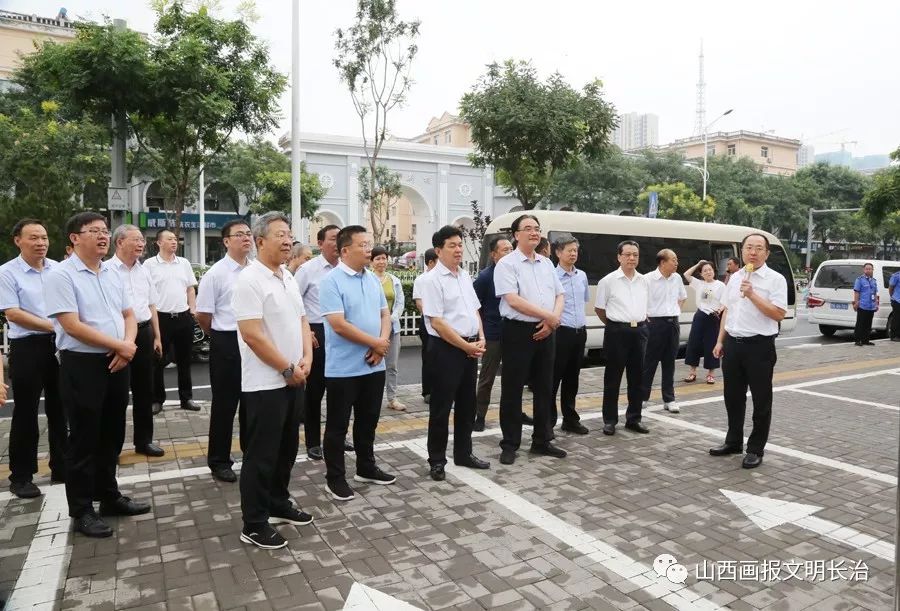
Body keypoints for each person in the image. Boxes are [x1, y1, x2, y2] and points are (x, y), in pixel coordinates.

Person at [44, 211, 150, 537]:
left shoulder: (111, 273)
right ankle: (82, 509)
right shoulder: (61, 275)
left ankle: (109, 496)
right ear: (75, 238)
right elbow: (71, 325)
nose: (103, 236)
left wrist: (125, 346)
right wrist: (121, 345)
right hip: (83, 364)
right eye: (94, 231)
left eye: (105, 231)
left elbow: (129, 314)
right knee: (84, 437)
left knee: (112, 432)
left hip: (117, 361)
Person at [233, 212, 314, 549]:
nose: (287, 240)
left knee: (286, 449)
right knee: (261, 455)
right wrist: (285, 368)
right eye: (280, 234)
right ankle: (253, 523)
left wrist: (307, 357)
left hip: (294, 379)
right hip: (266, 385)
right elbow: (252, 335)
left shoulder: (288, 277)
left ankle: (279, 503)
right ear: (260, 240)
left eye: (289, 234)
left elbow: (302, 320)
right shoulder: (249, 280)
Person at [319, 226, 397, 501]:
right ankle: (335, 478)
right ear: (345, 250)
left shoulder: (372, 279)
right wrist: (374, 343)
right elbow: (338, 325)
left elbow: (385, 315)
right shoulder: (332, 281)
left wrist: (382, 344)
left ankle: (366, 467)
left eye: (370, 244)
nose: (369, 250)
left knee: (368, 421)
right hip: (343, 369)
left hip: (373, 365)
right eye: (363, 245)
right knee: (338, 426)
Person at [0, 219, 68, 498]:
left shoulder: (59, 269)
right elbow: (12, 313)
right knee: (26, 412)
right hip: (27, 347)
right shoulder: (7, 272)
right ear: (18, 240)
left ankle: (62, 467)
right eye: (33, 238)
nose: (41, 243)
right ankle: (21, 476)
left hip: (60, 346)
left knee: (60, 408)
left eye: (44, 237)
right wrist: (54, 325)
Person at [710, 233, 788, 469]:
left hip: (759, 346)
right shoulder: (734, 278)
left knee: (761, 400)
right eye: (748, 248)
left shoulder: (775, 279)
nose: (753, 252)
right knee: (732, 397)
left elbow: (778, 314)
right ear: (742, 251)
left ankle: (755, 448)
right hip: (733, 344)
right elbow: (727, 311)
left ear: (766, 252)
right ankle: (733, 441)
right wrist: (720, 340)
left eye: (758, 248)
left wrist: (753, 294)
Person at [494, 214, 566, 465]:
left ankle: (542, 440)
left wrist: (552, 320)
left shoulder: (546, 264)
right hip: (518, 332)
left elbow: (560, 294)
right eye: (528, 229)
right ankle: (510, 443)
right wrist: (548, 316)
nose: (534, 233)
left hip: (547, 331)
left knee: (545, 388)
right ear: (516, 235)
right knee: (512, 389)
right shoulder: (507, 264)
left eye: (537, 229)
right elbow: (512, 300)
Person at [421, 226, 490, 480]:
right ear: (438, 250)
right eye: (452, 245)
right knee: (441, 407)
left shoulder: (464, 276)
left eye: (460, 244)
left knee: (466, 404)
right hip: (446, 350)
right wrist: (466, 345)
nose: (459, 249)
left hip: (470, 348)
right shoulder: (431, 280)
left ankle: (464, 453)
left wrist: (480, 337)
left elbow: (474, 311)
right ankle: (437, 460)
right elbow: (437, 323)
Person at [196, 220, 252, 483]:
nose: (246, 238)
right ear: (226, 241)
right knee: (225, 405)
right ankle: (219, 461)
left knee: (253, 401)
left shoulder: (256, 270)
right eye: (239, 235)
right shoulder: (216, 274)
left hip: (253, 341)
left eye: (248, 234)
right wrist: (219, 336)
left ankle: (251, 453)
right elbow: (203, 315)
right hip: (226, 341)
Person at [295, 225, 353, 460]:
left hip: (344, 332)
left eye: (340, 238)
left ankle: (338, 436)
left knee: (342, 390)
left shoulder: (349, 270)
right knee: (315, 392)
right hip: (317, 332)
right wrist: (305, 332)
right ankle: (312, 441)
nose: (337, 242)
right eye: (332, 239)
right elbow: (294, 302)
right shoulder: (307, 270)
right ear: (320, 244)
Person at [109, 225, 165, 458]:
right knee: (117, 395)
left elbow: (151, 305)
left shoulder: (144, 271)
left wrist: (157, 336)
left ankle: (144, 441)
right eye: (136, 240)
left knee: (144, 390)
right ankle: (112, 447)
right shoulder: (107, 270)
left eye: (142, 240)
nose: (142, 243)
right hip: (117, 336)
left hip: (143, 333)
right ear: (120, 242)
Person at [594, 240, 649, 436]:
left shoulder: (644, 280)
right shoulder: (608, 281)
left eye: (635, 254)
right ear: (619, 257)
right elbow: (600, 309)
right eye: (627, 254)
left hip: (640, 332)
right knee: (613, 378)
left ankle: (634, 418)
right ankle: (610, 420)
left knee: (637, 378)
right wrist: (615, 325)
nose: (632, 258)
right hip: (617, 332)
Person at [144, 229, 200, 412]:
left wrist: (192, 310)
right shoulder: (149, 265)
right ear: (159, 243)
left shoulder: (183, 263)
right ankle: (157, 399)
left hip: (183, 317)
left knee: (185, 360)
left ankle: (187, 398)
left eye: (175, 239)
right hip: (161, 318)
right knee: (157, 360)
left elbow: (190, 288)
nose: (174, 242)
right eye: (169, 239)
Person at [550, 234, 590, 435]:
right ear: (558, 253)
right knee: (553, 378)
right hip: (560, 333)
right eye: (569, 250)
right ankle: (548, 422)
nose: (573, 254)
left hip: (578, 333)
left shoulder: (581, 275)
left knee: (572, 379)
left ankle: (570, 419)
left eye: (575, 250)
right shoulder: (551, 276)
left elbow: (583, 302)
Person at [473, 236, 513, 431]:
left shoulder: (517, 274)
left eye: (511, 249)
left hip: (514, 333)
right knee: (487, 377)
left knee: (514, 377)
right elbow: (475, 307)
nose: (509, 253)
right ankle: (479, 415)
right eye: (505, 250)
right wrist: (482, 332)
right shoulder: (485, 277)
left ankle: (515, 413)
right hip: (493, 335)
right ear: (494, 254)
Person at [641, 249, 687, 414]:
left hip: (672, 323)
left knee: (670, 363)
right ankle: (643, 397)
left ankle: (669, 398)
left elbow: (682, 297)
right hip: (654, 324)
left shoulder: (677, 278)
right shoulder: (647, 279)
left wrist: (676, 311)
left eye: (676, 260)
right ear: (662, 262)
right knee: (649, 362)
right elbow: (640, 299)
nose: (676, 263)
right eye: (673, 260)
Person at [370, 246, 406, 412]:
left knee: (392, 365)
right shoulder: (367, 279)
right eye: (377, 258)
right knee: (372, 363)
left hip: (392, 327)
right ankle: (372, 398)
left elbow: (400, 303)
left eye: (384, 258)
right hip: (372, 329)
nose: (381, 261)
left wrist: (392, 318)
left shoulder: (394, 280)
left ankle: (392, 398)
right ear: (371, 262)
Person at [683, 260, 726, 385]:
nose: (708, 272)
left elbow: (725, 301)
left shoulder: (720, 285)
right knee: (693, 343)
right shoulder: (699, 284)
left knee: (711, 344)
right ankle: (692, 372)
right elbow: (686, 275)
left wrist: (720, 309)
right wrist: (698, 264)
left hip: (713, 316)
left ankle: (711, 374)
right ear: (701, 274)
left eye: (710, 269)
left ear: (714, 271)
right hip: (700, 315)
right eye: (705, 270)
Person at [413, 249, 438, 404]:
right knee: (428, 358)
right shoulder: (421, 280)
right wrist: (432, 317)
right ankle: (428, 391)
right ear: (430, 262)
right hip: (428, 323)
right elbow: (419, 303)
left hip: (444, 324)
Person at [852, 262, 879, 346]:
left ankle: (865, 340)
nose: (868, 270)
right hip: (862, 305)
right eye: (866, 269)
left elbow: (874, 293)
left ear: (872, 270)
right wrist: (856, 303)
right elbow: (857, 292)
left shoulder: (874, 281)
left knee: (868, 324)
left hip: (871, 306)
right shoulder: (859, 280)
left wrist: (876, 304)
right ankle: (857, 340)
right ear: (864, 270)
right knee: (860, 323)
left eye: (870, 269)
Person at [889, 268, 900, 341]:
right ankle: (894, 336)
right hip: (897, 300)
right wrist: (893, 297)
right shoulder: (896, 276)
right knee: (897, 318)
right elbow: (891, 288)